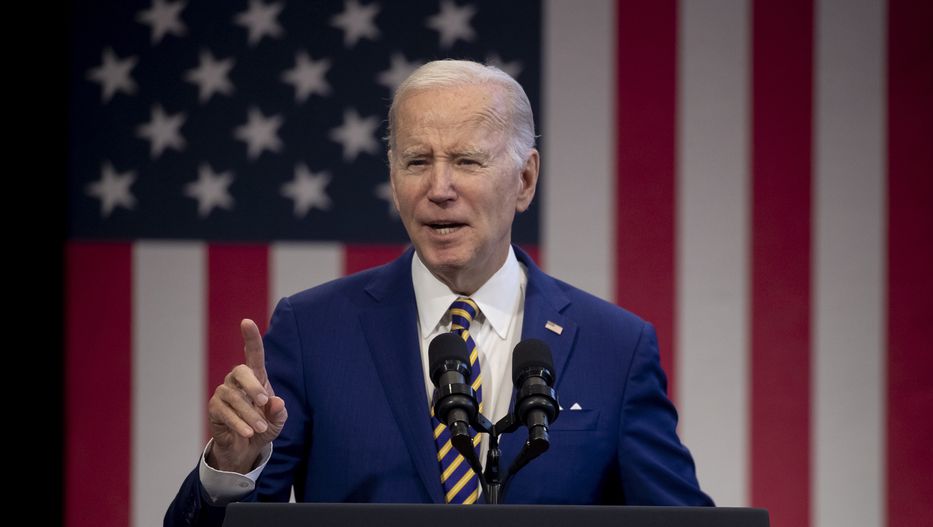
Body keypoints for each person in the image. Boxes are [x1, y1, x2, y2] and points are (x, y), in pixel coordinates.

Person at [165, 59, 712, 526]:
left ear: (524, 180)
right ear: (393, 176)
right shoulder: (314, 332)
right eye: (417, 161)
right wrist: (232, 469)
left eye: (467, 161)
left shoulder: (614, 347)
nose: (439, 189)